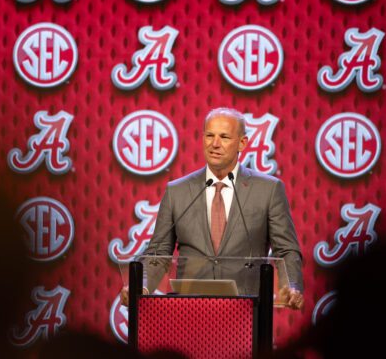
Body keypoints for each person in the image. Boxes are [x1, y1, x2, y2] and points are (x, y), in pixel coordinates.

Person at [122, 107, 304, 309]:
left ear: (242, 143)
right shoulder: (177, 191)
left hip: (247, 312)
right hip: (188, 311)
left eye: (224, 137)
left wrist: (291, 286)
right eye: (210, 135)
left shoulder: (268, 190)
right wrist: (141, 286)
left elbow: (286, 250)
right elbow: (158, 254)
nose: (215, 144)